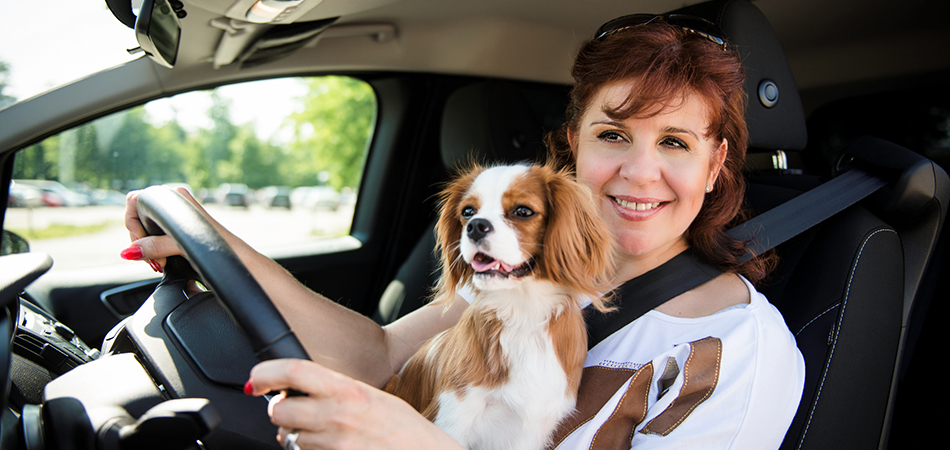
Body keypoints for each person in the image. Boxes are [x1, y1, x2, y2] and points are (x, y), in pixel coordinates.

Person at [122, 14, 804, 450]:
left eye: (676, 143)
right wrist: (217, 244)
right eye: (614, 134)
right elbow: (378, 355)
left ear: (717, 165)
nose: (638, 172)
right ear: (572, 146)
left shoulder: (743, 353)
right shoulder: (516, 277)